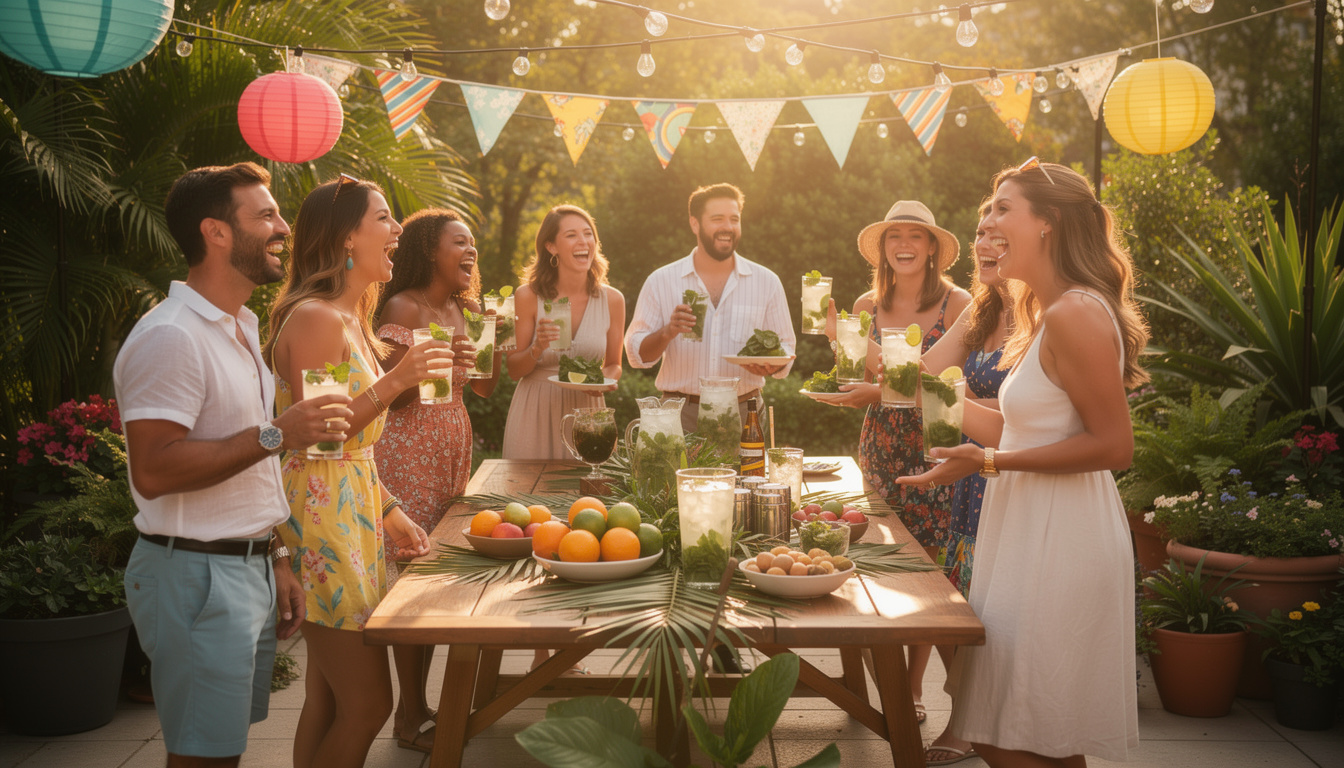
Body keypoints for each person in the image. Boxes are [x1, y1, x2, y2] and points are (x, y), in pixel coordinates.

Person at [900, 160, 1147, 768]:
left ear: (1048, 223)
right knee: (1016, 728)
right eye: (988, 211)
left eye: (1003, 209)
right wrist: (932, 403)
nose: (987, 225)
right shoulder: (1046, 312)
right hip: (1026, 527)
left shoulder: (1075, 313)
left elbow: (1114, 446)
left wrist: (987, 461)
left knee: (1014, 730)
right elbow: (1026, 427)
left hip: (1062, 537)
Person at [115, 162, 347, 767]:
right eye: (266, 215)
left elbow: (247, 470)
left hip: (243, 567)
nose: (284, 227)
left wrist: (275, 555)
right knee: (203, 758)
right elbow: (154, 471)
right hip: (196, 577)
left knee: (224, 750)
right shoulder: (172, 336)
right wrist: (278, 433)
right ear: (216, 232)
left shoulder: (239, 328)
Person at [263, 175, 444, 768]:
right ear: (346, 237)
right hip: (322, 525)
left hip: (350, 512)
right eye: (384, 218)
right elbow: (324, 435)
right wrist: (399, 378)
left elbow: (353, 451)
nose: (398, 230)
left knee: (328, 699)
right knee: (368, 707)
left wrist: (388, 510)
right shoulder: (317, 319)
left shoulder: (348, 320)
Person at [823, 199, 970, 723]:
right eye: (894, 236)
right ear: (883, 248)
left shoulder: (958, 303)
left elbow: (945, 381)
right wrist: (840, 343)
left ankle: (910, 687)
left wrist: (874, 387)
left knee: (929, 572)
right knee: (880, 564)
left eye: (915, 235)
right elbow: (861, 377)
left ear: (932, 248)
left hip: (938, 445)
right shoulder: (866, 303)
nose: (904, 245)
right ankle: (878, 676)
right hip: (881, 445)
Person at [373, 208, 497, 753]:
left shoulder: (465, 310)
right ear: (429, 250)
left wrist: (483, 344)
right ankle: (409, 714)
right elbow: (394, 398)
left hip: (451, 446)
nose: (471, 251)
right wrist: (439, 357)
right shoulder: (403, 307)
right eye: (459, 243)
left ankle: (418, 709)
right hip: (409, 450)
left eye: (472, 244)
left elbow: (483, 386)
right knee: (412, 578)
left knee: (433, 575)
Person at [917, 207, 1014, 767]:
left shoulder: (1040, 313)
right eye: (980, 233)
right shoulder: (981, 310)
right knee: (960, 602)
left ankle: (976, 721)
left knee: (996, 611)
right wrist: (852, 343)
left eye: (999, 234)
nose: (985, 243)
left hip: (1014, 471)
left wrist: (963, 399)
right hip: (971, 476)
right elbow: (926, 372)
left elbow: (1042, 412)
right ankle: (968, 713)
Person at [624, 182, 795, 434]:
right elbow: (636, 355)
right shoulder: (661, 281)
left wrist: (772, 365)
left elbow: (786, 347)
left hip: (744, 413)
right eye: (717, 219)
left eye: (734, 219)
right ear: (695, 224)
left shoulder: (767, 282)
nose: (727, 227)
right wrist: (667, 332)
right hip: (680, 416)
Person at [502, 204, 625, 459]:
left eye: (588, 234)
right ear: (551, 246)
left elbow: (614, 364)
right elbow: (513, 370)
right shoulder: (527, 296)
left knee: (591, 484)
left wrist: (602, 382)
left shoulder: (613, 300)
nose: (583, 241)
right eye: (571, 235)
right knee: (528, 485)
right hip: (534, 412)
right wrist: (537, 347)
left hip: (589, 415)